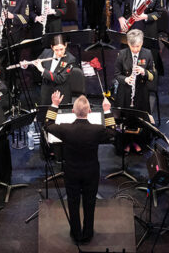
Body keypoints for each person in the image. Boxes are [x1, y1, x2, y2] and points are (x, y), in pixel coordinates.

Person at [43, 91, 116, 244]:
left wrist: (55, 104)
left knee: (73, 202)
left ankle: (76, 233)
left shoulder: (65, 129)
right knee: (90, 203)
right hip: (91, 172)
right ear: (89, 111)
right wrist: (107, 110)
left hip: (71, 172)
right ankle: (88, 233)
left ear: (73, 111)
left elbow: (48, 125)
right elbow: (112, 131)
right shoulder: (97, 130)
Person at [111, 29, 156, 135]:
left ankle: (139, 142)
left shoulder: (147, 53)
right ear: (128, 44)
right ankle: (126, 143)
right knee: (125, 120)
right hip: (125, 93)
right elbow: (117, 75)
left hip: (141, 92)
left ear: (142, 43)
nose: (135, 49)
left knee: (140, 120)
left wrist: (143, 71)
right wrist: (126, 79)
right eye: (133, 47)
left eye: (138, 46)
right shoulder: (122, 54)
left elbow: (152, 76)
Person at [22, 34, 78, 104]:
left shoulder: (70, 59)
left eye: (61, 49)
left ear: (65, 45)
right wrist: (26, 65)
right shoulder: (46, 52)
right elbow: (37, 65)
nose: (59, 52)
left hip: (61, 94)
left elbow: (60, 78)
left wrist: (43, 70)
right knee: (45, 114)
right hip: (46, 92)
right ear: (52, 47)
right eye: (56, 50)